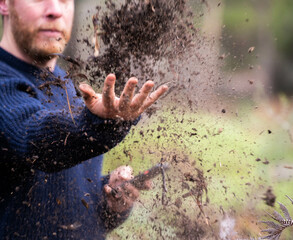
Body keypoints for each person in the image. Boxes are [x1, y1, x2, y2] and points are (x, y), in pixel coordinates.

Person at [0, 0, 168, 239]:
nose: (55, 10)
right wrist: (102, 124)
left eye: (64, 0)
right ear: (5, 4)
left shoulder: (66, 84)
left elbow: (63, 196)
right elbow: (37, 142)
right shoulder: (4, 83)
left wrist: (108, 201)